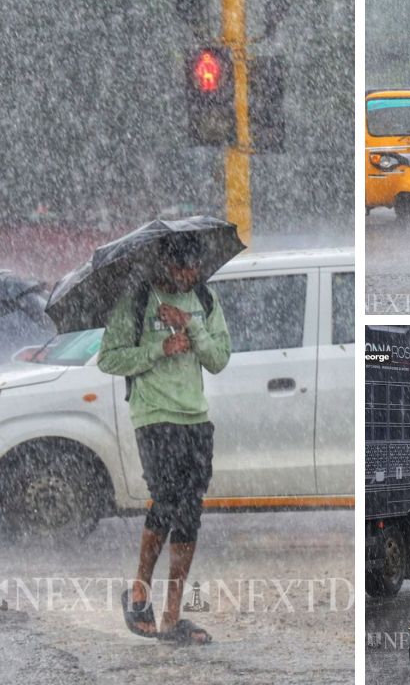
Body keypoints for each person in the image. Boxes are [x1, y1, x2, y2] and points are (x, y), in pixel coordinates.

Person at [97, 245, 231, 644]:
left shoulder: (205, 299)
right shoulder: (137, 301)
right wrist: (159, 348)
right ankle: (139, 590)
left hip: (195, 417)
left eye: (194, 269)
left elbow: (219, 358)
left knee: (190, 513)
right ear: (165, 265)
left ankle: (172, 618)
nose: (189, 276)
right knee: (167, 500)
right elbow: (109, 359)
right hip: (154, 416)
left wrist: (190, 324)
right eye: (182, 268)